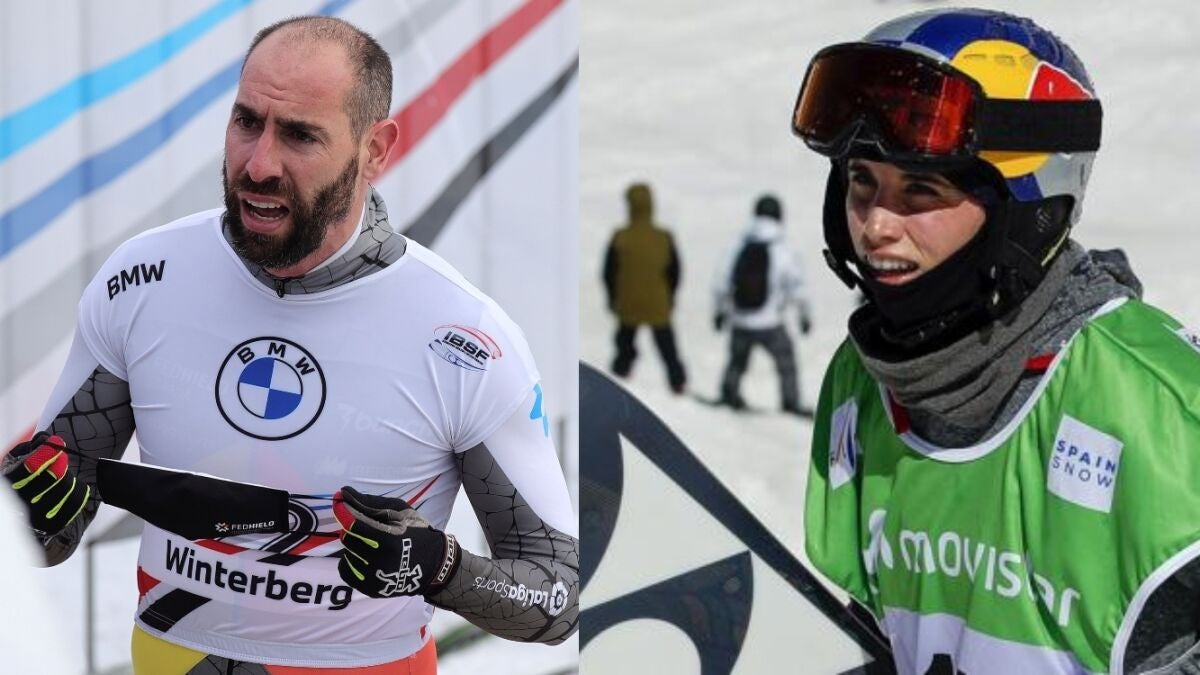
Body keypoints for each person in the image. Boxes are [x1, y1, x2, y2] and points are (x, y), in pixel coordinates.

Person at [1, 16, 577, 673]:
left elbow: (557, 596)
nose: (258, 164)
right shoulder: (143, 279)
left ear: (375, 149)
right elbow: (49, 528)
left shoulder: (464, 337)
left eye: (300, 135)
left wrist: (442, 568)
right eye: (247, 122)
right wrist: (30, 508)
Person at [796, 9, 1200, 674]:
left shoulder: (1160, 407)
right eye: (862, 181)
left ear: (1028, 212)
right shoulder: (862, 383)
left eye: (920, 190)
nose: (875, 225)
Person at [712, 194, 813, 413]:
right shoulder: (783, 248)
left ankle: (729, 394)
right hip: (770, 322)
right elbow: (796, 286)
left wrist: (720, 312)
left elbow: (721, 281)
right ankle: (790, 401)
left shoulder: (738, 244)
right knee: (786, 362)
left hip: (740, 319)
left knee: (737, 361)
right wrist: (804, 315)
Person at [602, 182, 688, 392]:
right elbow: (675, 272)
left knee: (624, 343)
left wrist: (613, 298)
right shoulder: (663, 237)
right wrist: (669, 297)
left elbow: (608, 272)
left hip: (628, 302)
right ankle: (677, 382)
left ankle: (620, 377)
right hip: (657, 302)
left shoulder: (620, 237)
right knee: (667, 346)